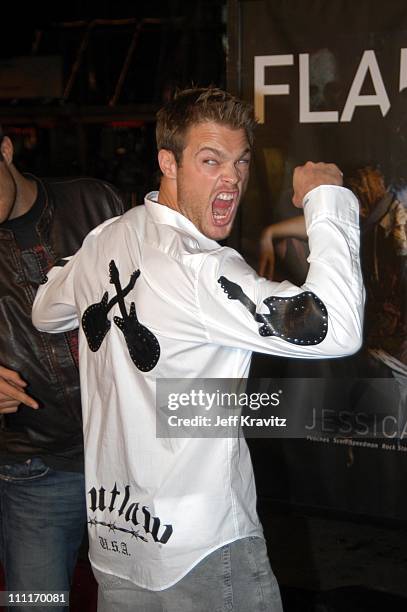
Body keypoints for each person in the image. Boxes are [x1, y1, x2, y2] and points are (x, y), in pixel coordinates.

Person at [32, 87, 364, 612]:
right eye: (210, 161)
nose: (231, 178)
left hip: (117, 541)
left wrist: (86, 283)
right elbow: (336, 327)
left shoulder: (106, 240)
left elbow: (44, 312)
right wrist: (329, 201)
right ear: (168, 161)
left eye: (240, 162)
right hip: (203, 552)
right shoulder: (203, 269)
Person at [0, 126, 125, 610]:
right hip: (34, 468)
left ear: (5, 148)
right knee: (38, 603)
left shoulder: (96, 203)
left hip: (128, 461)